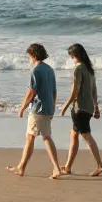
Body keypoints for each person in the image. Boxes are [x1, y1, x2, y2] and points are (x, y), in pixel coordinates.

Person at [7, 43, 61, 179]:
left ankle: (53, 167)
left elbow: (32, 92)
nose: (29, 58)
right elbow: (54, 91)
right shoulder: (49, 69)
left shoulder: (36, 71)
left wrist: (22, 107)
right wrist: (53, 107)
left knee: (36, 137)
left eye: (29, 56)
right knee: (40, 137)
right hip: (47, 107)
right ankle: (23, 167)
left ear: (33, 55)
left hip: (38, 108)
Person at [59, 42, 102, 177]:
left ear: (75, 55)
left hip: (80, 108)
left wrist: (65, 105)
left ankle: (99, 165)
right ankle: (68, 167)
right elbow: (94, 90)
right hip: (89, 107)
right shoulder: (90, 70)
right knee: (74, 135)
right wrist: (96, 107)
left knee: (86, 135)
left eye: (71, 56)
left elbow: (75, 90)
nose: (71, 58)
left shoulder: (78, 69)